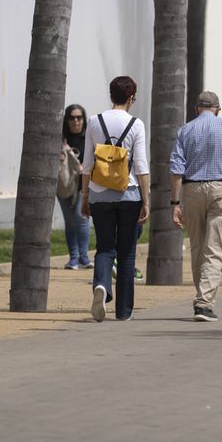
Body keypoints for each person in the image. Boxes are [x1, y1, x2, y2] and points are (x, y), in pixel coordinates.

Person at [169, 90, 222, 322]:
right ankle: (204, 303)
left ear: (197, 108)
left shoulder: (185, 129)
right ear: (217, 109)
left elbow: (176, 169)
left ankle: (202, 296)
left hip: (192, 190)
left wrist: (175, 203)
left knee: (197, 246)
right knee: (215, 249)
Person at [81, 78, 149, 321]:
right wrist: (146, 200)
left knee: (105, 247)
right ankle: (123, 311)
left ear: (111, 95)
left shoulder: (94, 122)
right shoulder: (136, 124)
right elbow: (141, 166)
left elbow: (87, 165)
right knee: (127, 253)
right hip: (129, 193)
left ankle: (101, 285)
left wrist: (85, 196)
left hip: (100, 193)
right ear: (131, 97)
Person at [58, 104, 92, 269]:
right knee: (70, 221)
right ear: (67, 120)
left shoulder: (89, 138)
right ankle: (73, 257)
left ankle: (84, 257)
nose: (76, 121)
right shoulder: (61, 139)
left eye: (79, 117)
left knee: (81, 218)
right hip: (65, 184)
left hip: (82, 185)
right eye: (72, 118)